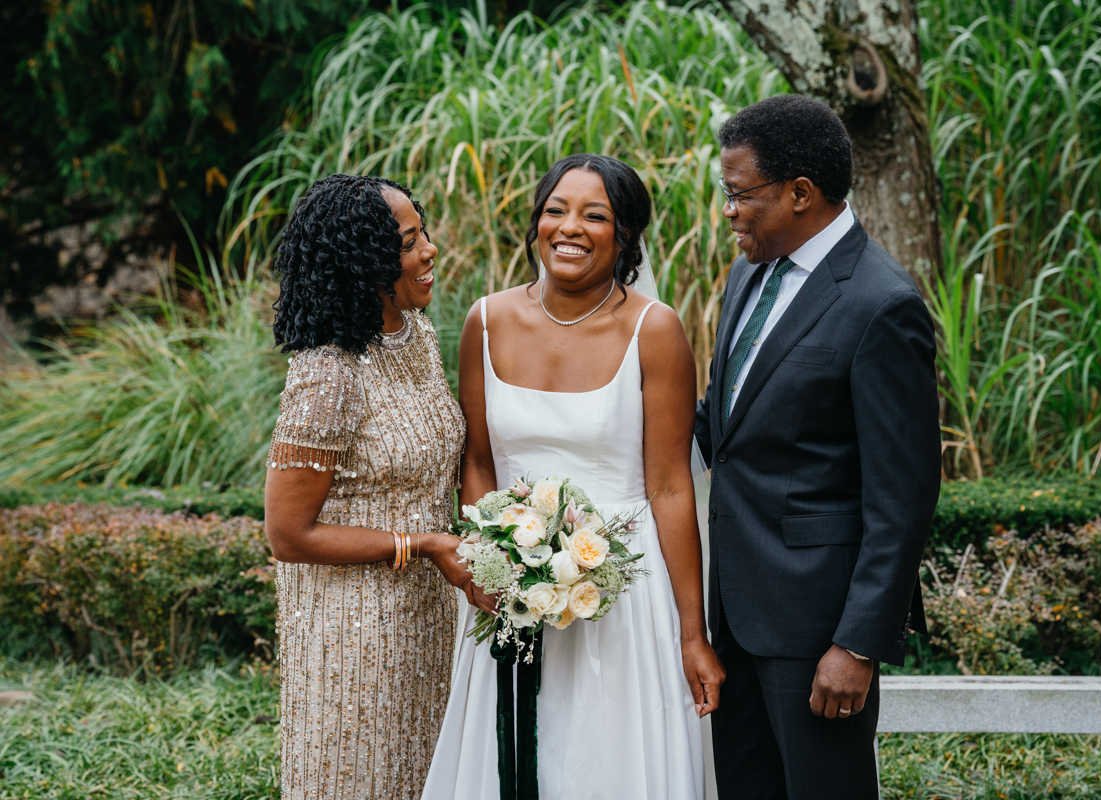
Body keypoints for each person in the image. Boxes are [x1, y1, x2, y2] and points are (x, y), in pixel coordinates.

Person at [422, 154, 724, 799]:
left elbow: (671, 487)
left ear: (625, 234)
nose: (569, 228)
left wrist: (692, 633)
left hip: (624, 596)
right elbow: (478, 463)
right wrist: (489, 565)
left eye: (595, 216)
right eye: (555, 210)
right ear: (536, 222)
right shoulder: (486, 320)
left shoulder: (655, 330)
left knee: (608, 762)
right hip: (509, 592)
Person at [695, 95, 942, 799]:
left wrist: (857, 643)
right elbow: (722, 428)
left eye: (740, 194)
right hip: (734, 619)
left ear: (800, 193)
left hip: (818, 634)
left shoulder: (881, 304)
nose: (728, 212)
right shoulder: (749, 275)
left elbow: (903, 497)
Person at [264, 174, 483, 800]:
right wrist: (425, 545)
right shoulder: (327, 373)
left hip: (426, 616)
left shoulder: (416, 336)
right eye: (409, 243)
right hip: (353, 633)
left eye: (423, 233)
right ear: (363, 262)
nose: (430, 250)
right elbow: (288, 534)